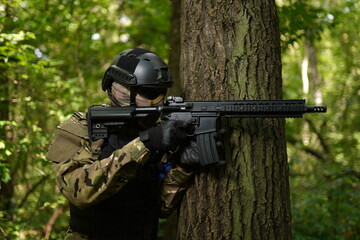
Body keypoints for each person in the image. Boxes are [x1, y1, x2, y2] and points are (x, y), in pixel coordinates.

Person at [46, 48, 197, 240]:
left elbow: (159, 208)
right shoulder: (80, 129)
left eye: (159, 94)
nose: (153, 102)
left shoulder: (156, 133)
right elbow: (79, 194)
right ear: (121, 92)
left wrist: (180, 169)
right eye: (148, 93)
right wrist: (143, 146)